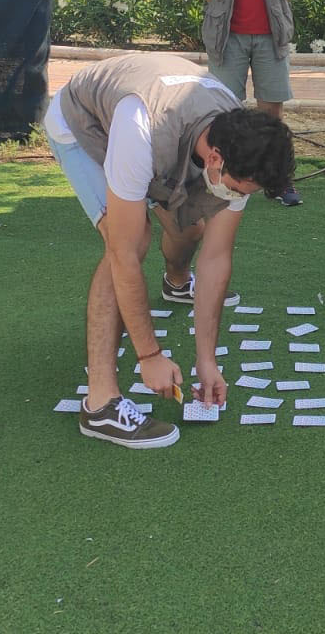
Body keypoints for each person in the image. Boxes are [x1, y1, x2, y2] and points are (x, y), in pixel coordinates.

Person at [42, 52, 295, 449]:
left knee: (192, 227)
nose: (237, 198)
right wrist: (149, 356)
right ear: (214, 159)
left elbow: (215, 257)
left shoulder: (240, 142)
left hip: (164, 129)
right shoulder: (140, 130)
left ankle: (176, 282)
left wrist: (206, 360)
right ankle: (100, 405)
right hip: (85, 124)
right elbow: (123, 256)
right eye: (239, 189)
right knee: (132, 236)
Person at [201, 0, 303, 206]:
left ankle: (279, 181)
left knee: (270, 113)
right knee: (224, 110)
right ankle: (221, 178)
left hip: (269, 39)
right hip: (228, 38)